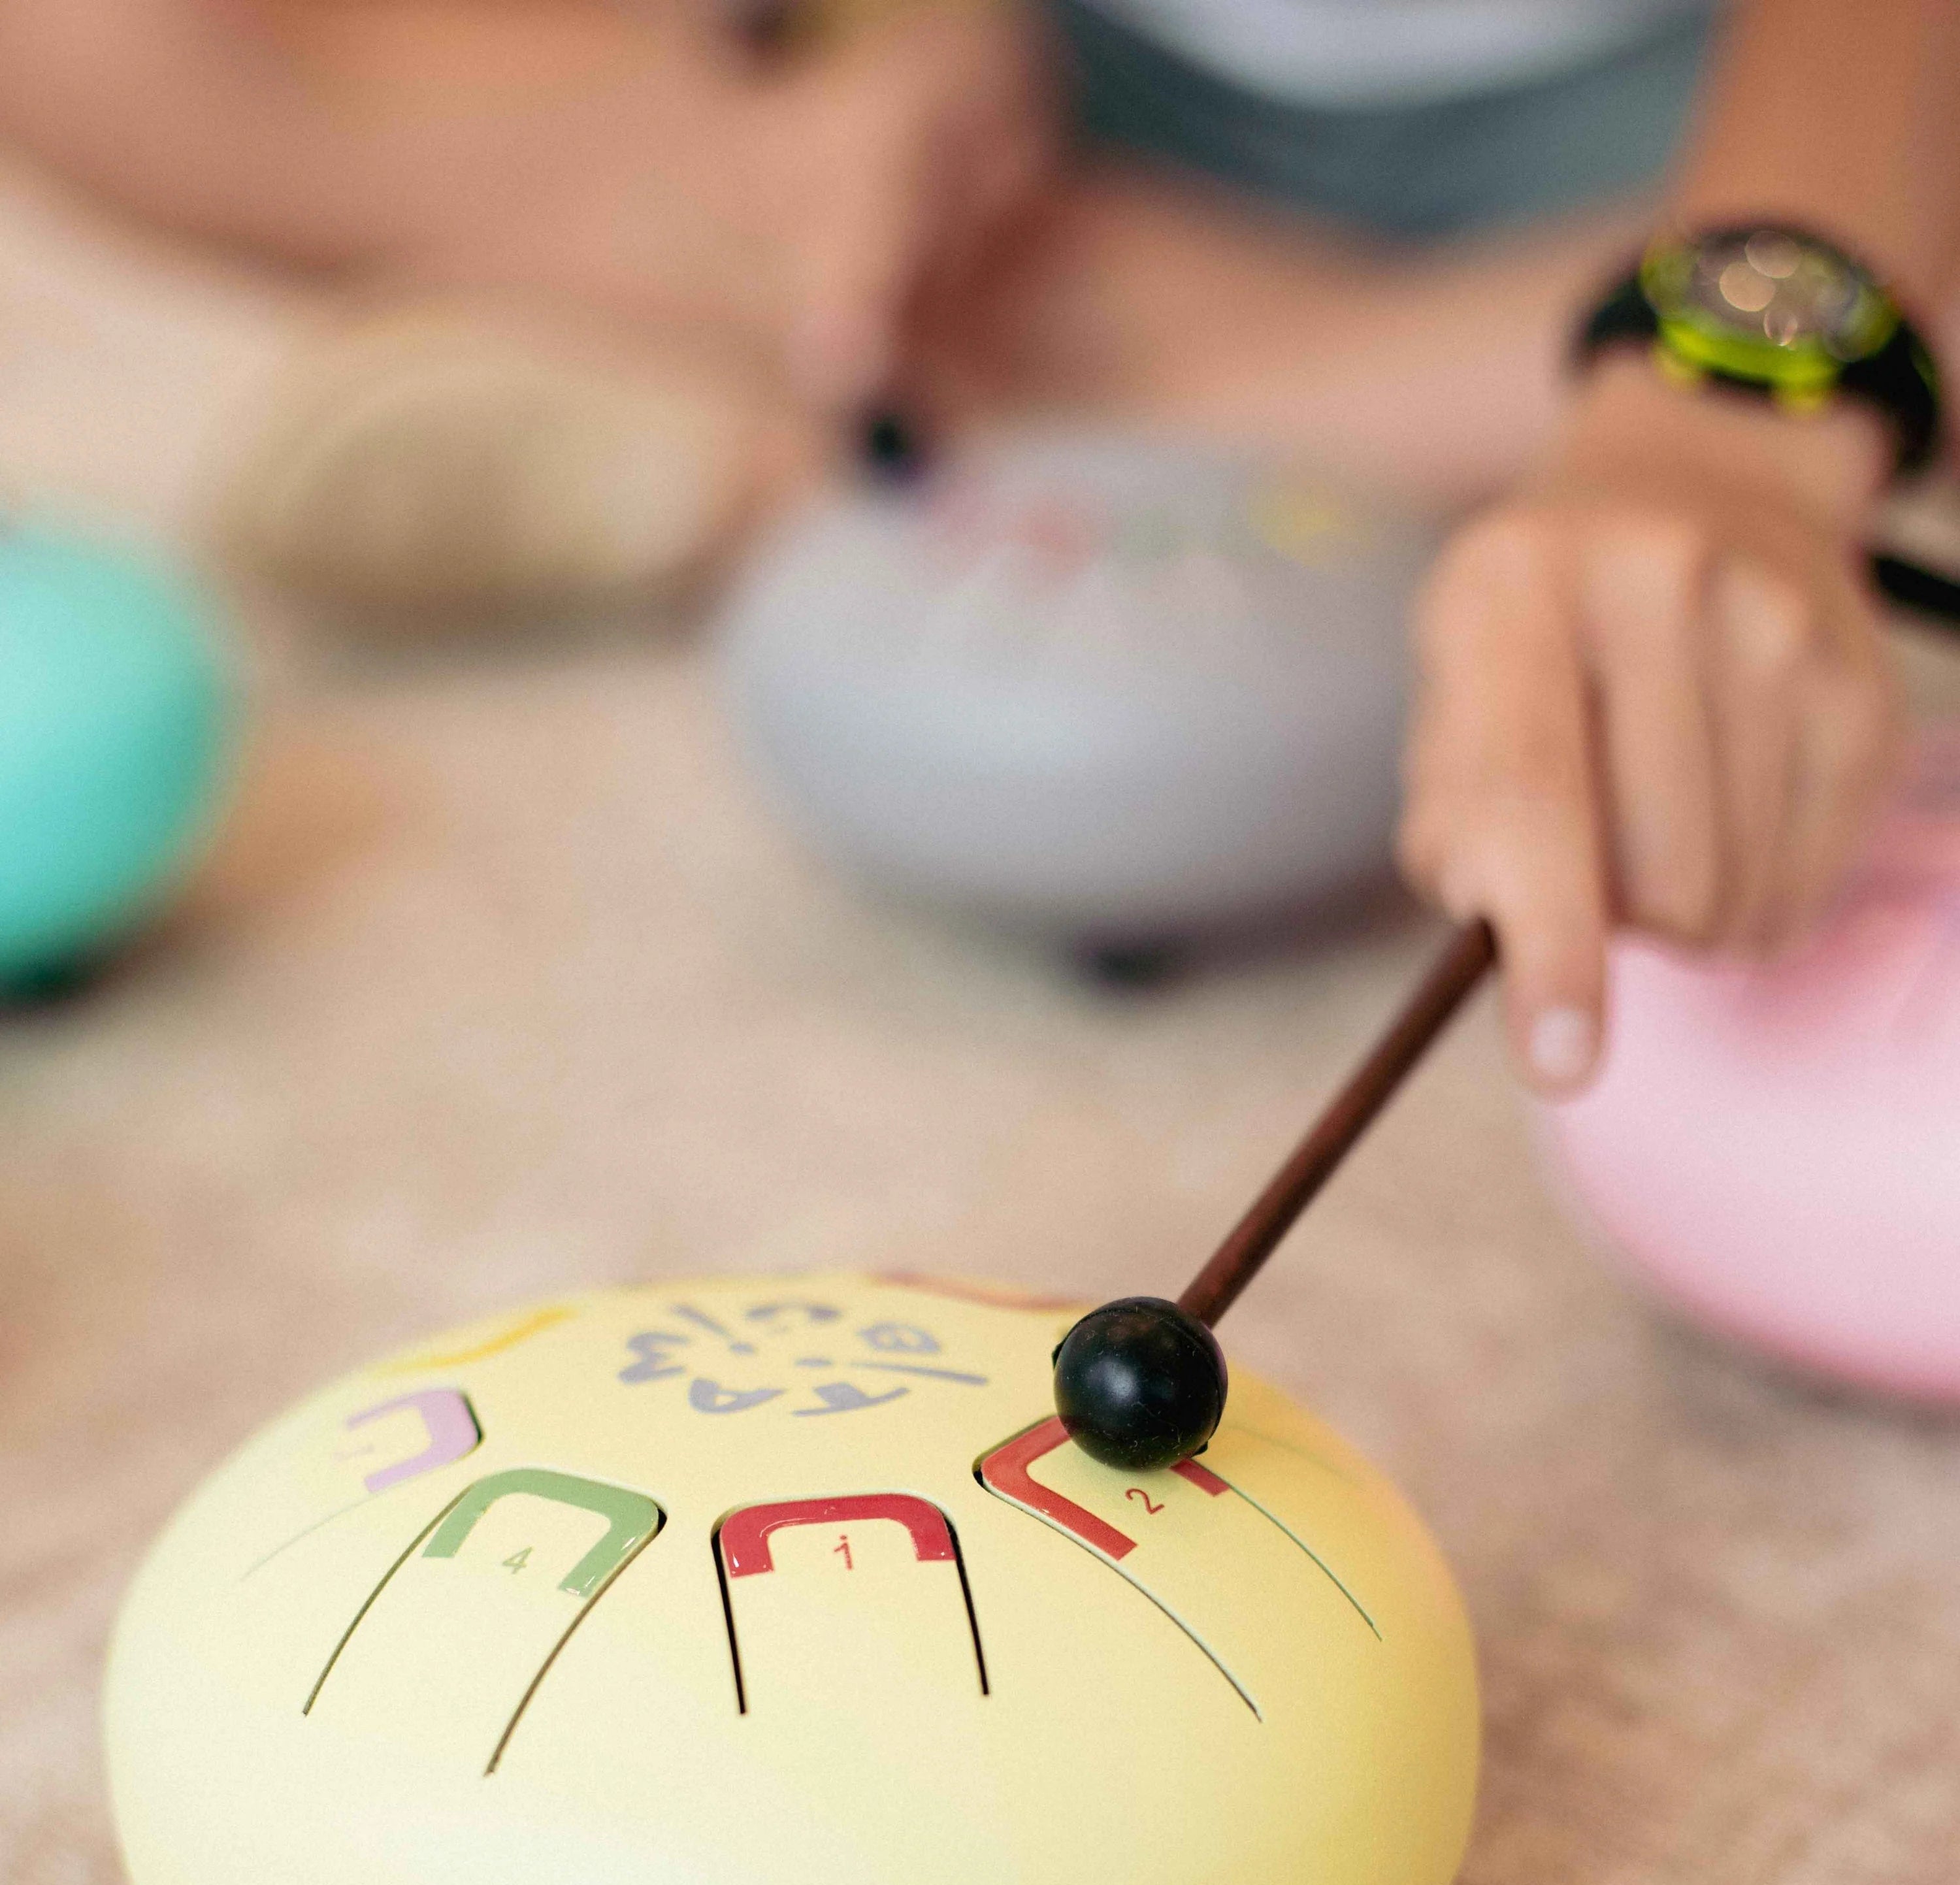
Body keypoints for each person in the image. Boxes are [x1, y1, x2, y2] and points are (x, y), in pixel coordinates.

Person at [2, 0, 1954, 1088]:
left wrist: (1729, 395)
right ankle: (1285, 395)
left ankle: (867, 450)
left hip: (1711, 102)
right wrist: (900, 32)